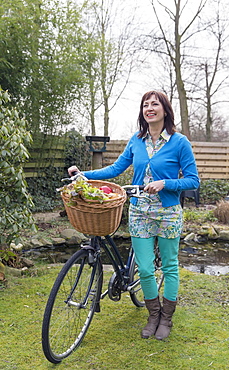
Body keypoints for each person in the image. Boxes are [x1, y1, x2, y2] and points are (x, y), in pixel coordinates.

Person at [68, 90, 199, 340]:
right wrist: (84, 175)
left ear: (165, 110)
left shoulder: (179, 142)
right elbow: (117, 168)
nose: (149, 108)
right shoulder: (136, 140)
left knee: (170, 267)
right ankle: (153, 315)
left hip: (168, 212)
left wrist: (165, 183)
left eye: (155, 104)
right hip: (139, 212)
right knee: (147, 270)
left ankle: (166, 319)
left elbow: (193, 180)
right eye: (145, 105)